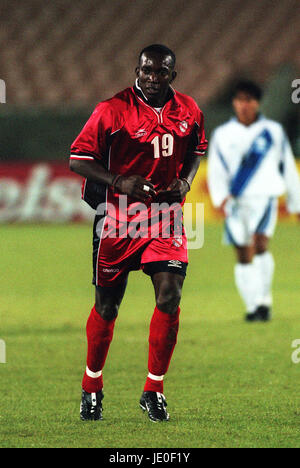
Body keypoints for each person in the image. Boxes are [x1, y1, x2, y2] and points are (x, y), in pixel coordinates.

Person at [69, 44, 207, 422]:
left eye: (161, 72)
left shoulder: (189, 109)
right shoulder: (111, 110)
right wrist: (118, 180)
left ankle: (154, 388)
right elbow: (77, 159)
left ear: (172, 76)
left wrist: (186, 180)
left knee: (169, 294)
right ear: (138, 69)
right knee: (107, 306)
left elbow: (197, 148)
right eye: (147, 70)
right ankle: (91, 384)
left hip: (165, 215)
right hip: (117, 218)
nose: (152, 77)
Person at [207, 80, 300, 322]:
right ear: (234, 103)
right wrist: (220, 197)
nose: (244, 105)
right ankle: (252, 306)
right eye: (239, 100)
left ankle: (264, 302)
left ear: (257, 103)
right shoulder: (223, 134)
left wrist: (295, 201)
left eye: (249, 100)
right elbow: (215, 169)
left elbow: (288, 166)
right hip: (237, 201)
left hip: (265, 197)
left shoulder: (272, 132)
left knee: (260, 244)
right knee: (243, 253)